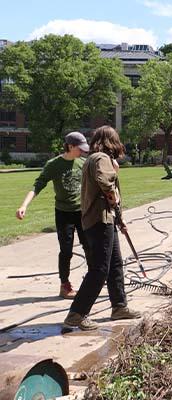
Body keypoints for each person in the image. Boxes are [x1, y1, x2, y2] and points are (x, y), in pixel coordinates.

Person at [63, 126, 141, 331]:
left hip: (105, 219)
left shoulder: (94, 158)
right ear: (111, 142)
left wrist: (119, 218)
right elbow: (107, 184)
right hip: (99, 220)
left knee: (115, 264)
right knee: (99, 269)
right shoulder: (101, 158)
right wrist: (115, 201)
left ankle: (119, 307)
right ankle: (76, 314)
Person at [16, 132, 90, 299]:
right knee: (66, 251)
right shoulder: (53, 165)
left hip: (82, 212)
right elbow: (38, 185)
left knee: (89, 247)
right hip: (63, 213)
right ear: (70, 146)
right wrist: (24, 205)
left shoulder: (84, 163)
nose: (83, 152)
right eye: (80, 149)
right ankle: (65, 286)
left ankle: (92, 281)